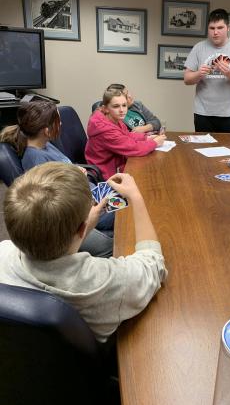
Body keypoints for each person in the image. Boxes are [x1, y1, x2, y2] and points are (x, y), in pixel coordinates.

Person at [0, 162, 167, 343]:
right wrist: (136, 197)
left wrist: (84, 226)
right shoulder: (102, 281)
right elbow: (153, 263)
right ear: (82, 229)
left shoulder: (4, 250)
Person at [0, 101, 113, 258]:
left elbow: (62, 171)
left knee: (124, 193)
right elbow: (57, 200)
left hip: (89, 191)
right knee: (125, 210)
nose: (61, 124)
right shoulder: (35, 159)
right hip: (81, 206)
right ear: (47, 130)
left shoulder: (45, 144)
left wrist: (74, 171)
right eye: (58, 122)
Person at [184, 8, 230, 133]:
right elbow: (187, 79)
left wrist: (229, 73)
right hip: (202, 112)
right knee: (201, 149)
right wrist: (199, 74)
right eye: (212, 28)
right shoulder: (199, 48)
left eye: (220, 28)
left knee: (224, 150)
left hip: (228, 113)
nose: (215, 32)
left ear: (228, 28)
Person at [85, 88, 166, 179]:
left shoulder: (113, 118)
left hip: (117, 163)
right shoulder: (105, 130)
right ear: (105, 109)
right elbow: (133, 148)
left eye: (124, 105)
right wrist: (155, 143)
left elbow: (126, 135)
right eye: (116, 106)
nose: (122, 110)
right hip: (107, 173)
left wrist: (147, 137)